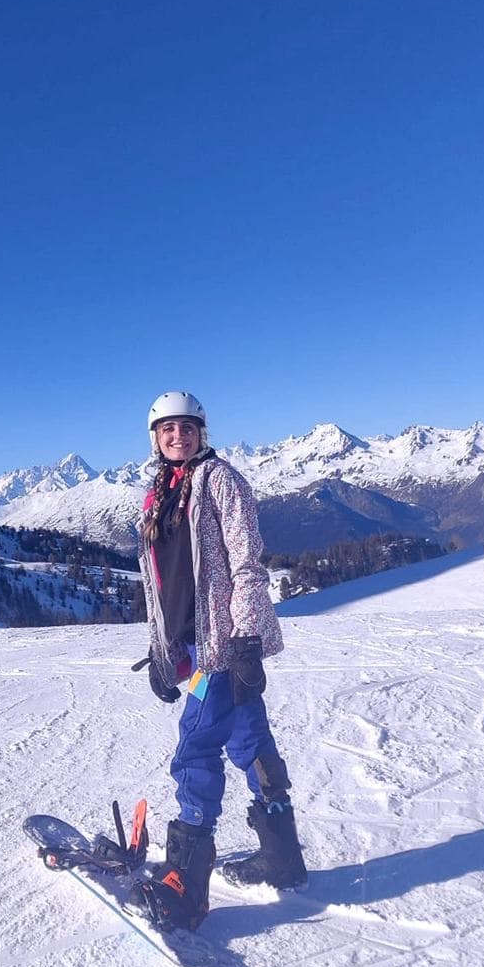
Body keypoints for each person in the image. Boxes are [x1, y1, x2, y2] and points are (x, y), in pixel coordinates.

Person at [126, 390, 307, 932]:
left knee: (196, 744)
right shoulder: (159, 493)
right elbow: (164, 582)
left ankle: (187, 883)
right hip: (190, 639)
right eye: (166, 430)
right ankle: (282, 857)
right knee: (250, 738)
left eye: (186, 428)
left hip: (223, 643)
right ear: (155, 439)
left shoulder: (221, 481)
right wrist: (162, 649)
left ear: (202, 431)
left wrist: (247, 637)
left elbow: (247, 563)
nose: (176, 436)